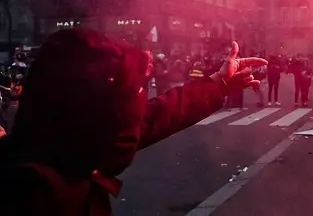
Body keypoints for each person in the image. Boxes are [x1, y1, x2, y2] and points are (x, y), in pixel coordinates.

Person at [0, 29, 266, 216]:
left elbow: (155, 116)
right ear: (94, 114)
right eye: (133, 97)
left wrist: (217, 84)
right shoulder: (34, 198)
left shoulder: (65, 149)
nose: (134, 120)